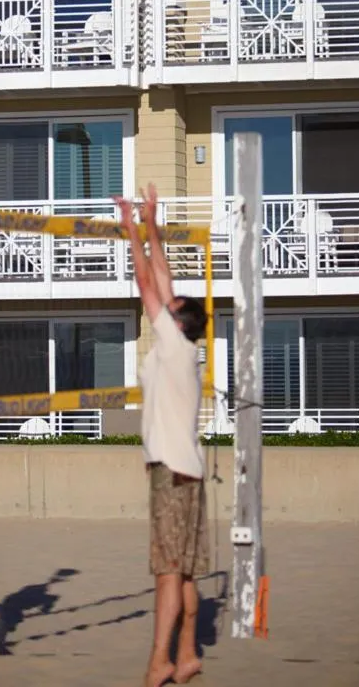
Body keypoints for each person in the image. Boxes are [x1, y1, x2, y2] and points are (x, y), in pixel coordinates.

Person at [115, 184, 209, 687]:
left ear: (176, 321)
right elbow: (163, 276)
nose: (163, 301)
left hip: (170, 474)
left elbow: (146, 278)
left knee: (168, 572)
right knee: (187, 571)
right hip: (188, 471)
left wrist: (130, 226)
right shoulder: (187, 349)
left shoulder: (172, 344)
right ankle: (189, 653)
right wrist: (151, 220)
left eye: (169, 306)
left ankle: (159, 661)